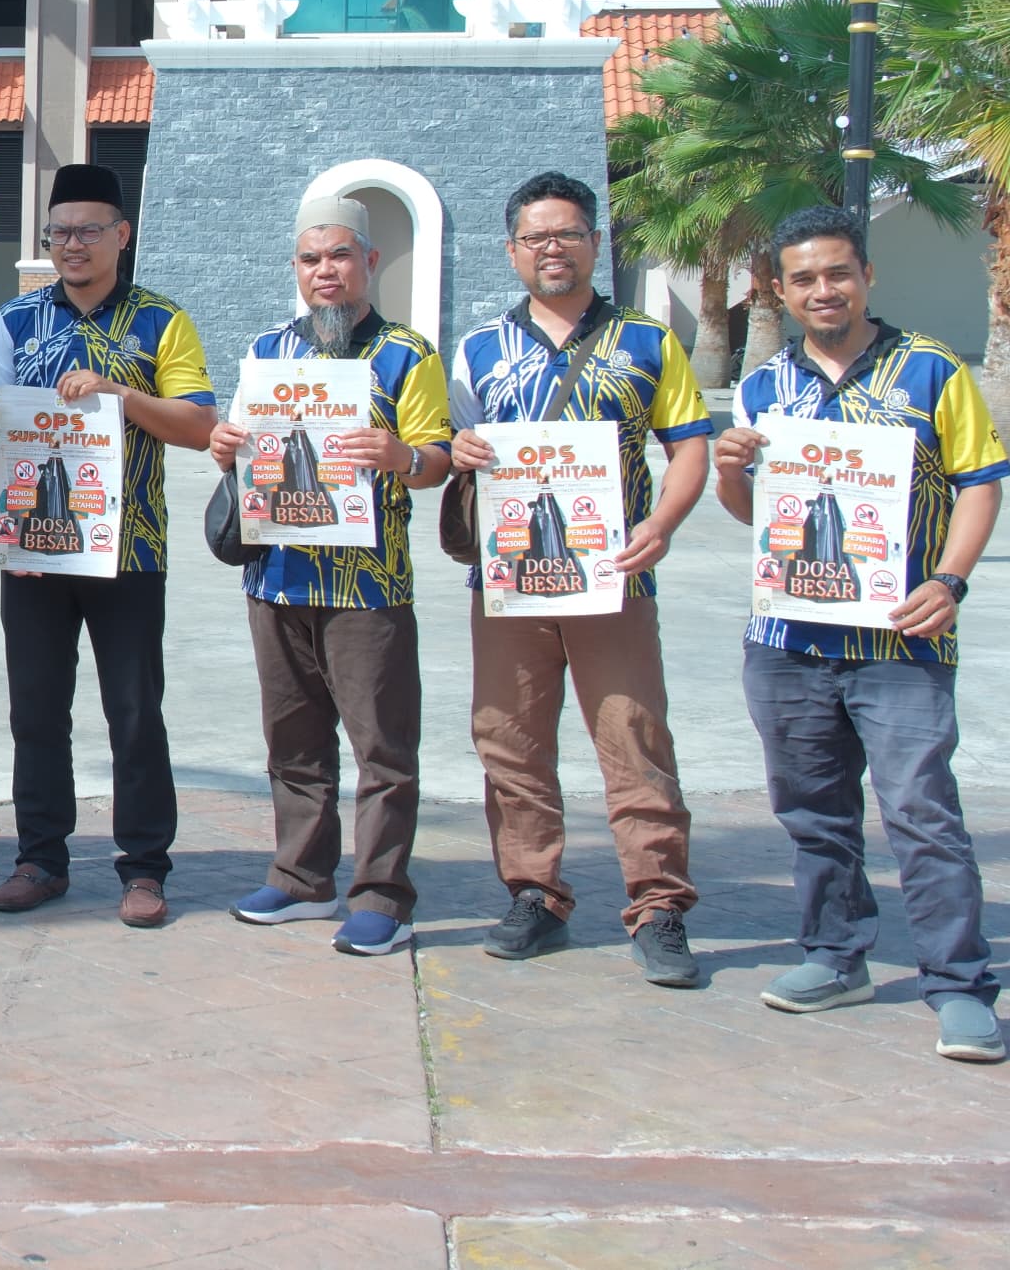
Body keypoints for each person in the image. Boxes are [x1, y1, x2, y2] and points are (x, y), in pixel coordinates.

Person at [713, 205, 1004, 1063]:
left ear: (867, 276)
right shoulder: (765, 386)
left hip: (901, 640)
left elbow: (981, 482)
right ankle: (836, 956)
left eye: (838, 272)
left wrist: (949, 581)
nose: (823, 290)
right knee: (813, 812)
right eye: (803, 278)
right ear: (779, 290)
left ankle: (959, 984)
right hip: (789, 639)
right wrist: (731, 474)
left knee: (922, 813)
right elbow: (756, 515)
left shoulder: (931, 370)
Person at [447, 172, 709, 988]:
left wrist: (661, 525)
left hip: (612, 579)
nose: (551, 248)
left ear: (596, 243)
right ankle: (535, 892)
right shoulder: (479, 348)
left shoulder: (647, 342)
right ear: (512, 251)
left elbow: (689, 446)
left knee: (633, 738)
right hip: (511, 581)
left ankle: (658, 907)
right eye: (536, 237)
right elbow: (453, 447)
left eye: (567, 234)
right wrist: (459, 451)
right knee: (510, 741)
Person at [207, 196, 452, 958]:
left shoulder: (407, 354)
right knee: (293, 742)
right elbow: (239, 445)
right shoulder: (267, 352)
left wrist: (403, 456)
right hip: (277, 577)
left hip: (366, 588)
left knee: (383, 749)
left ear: (369, 262)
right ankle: (301, 877)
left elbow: (437, 459)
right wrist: (224, 447)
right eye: (311, 259)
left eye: (340, 256)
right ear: (296, 268)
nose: (326, 272)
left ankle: (381, 896)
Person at [0, 163, 216, 929]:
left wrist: (122, 394)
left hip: (129, 553)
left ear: (122, 234)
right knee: (36, 711)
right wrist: (13, 527)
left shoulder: (160, 322)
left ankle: (144, 867)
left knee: (135, 712)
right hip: (37, 551)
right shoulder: (15, 322)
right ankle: (40, 859)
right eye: (59, 232)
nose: (72, 244)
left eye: (88, 230)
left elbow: (199, 426)